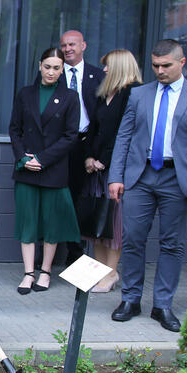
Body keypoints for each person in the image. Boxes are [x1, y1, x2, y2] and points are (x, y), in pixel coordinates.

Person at [108, 38, 187, 332]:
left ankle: (163, 305)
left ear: (181, 63)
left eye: (166, 65)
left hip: (178, 178)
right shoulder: (139, 95)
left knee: (172, 244)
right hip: (140, 175)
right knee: (133, 239)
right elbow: (124, 137)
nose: (160, 71)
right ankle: (130, 300)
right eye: (155, 66)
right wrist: (115, 176)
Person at [9, 47, 81, 294]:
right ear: (40, 65)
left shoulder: (71, 97)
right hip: (26, 168)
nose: (51, 72)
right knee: (27, 223)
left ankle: (46, 272)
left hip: (53, 169)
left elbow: (71, 136)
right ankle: (28, 272)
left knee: (51, 225)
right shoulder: (25, 94)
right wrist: (23, 157)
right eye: (48, 66)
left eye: (57, 68)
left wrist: (43, 158)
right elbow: (14, 129)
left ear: (63, 69)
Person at [81, 49, 141, 292]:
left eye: (108, 66)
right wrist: (89, 157)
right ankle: (98, 271)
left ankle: (112, 274)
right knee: (97, 221)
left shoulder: (132, 94)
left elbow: (124, 134)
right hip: (95, 169)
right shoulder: (104, 94)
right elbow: (95, 130)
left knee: (113, 224)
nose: (103, 70)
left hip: (117, 169)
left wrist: (105, 160)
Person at [59, 29, 106, 265]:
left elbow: (104, 118)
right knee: (57, 199)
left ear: (83, 46)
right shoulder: (53, 73)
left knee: (80, 200)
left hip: (85, 145)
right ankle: (47, 255)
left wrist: (94, 153)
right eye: (64, 45)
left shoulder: (98, 76)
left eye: (72, 45)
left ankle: (75, 253)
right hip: (58, 147)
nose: (68, 49)